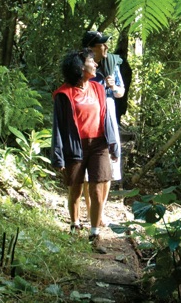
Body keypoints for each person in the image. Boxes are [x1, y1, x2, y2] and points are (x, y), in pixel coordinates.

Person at [51, 48, 119, 253]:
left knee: (98, 187)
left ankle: (95, 232)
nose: (95, 64)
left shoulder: (98, 89)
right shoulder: (64, 94)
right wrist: (58, 157)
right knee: (76, 188)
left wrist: (113, 144)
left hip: (99, 144)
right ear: (81, 67)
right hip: (75, 145)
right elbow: (59, 127)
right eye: (91, 61)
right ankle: (74, 224)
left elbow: (106, 118)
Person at [81, 31, 125, 225]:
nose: (106, 47)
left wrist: (113, 87)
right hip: (89, 119)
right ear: (91, 48)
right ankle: (91, 212)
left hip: (108, 118)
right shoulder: (83, 67)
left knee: (109, 164)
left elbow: (120, 93)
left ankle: (100, 212)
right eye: (102, 45)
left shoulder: (112, 66)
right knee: (88, 166)